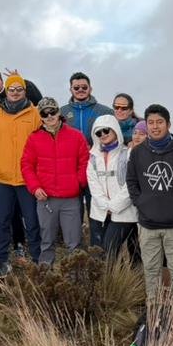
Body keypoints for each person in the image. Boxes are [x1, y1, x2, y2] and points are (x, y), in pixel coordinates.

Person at [126, 104, 173, 305]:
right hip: (147, 223)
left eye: (159, 122)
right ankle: (152, 304)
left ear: (168, 124)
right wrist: (141, 203)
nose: (155, 127)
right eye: (151, 123)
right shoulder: (138, 153)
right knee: (151, 267)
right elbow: (132, 181)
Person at [0, 74, 43, 274]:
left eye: (19, 89)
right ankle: (3, 261)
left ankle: (37, 261)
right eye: (11, 89)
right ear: (6, 92)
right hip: (2, 179)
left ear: (25, 91)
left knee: (32, 221)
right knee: (2, 221)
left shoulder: (35, 114)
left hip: (28, 179)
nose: (15, 93)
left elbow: (41, 142)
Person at [20, 98, 90, 266]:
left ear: (59, 113)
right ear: (41, 116)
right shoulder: (34, 138)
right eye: (45, 113)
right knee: (47, 242)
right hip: (46, 199)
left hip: (70, 199)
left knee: (74, 243)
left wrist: (78, 183)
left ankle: (76, 281)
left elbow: (85, 161)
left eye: (53, 111)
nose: (50, 115)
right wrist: (35, 187)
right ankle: (45, 280)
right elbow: (26, 165)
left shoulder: (76, 136)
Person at [60, 73, 113, 247]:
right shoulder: (62, 113)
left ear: (90, 88)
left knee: (96, 211)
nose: (81, 90)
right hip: (71, 170)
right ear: (71, 89)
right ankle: (75, 253)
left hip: (98, 169)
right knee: (73, 213)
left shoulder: (104, 111)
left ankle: (97, 251)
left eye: (84, 87)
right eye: (77, 88)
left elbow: (123, 128)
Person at [87, 114, 140, 262]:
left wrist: (114, 206)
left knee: (113, 248)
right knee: (98, 252)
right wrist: (105, 206)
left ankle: (131, 281)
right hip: (99, 212)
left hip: (124, 212)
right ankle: (108, 282)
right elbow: (93, 184)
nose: (102, 135)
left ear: (115, 130)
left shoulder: (127, 154)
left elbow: (131, 184)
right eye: (98, 133)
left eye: (106, 130)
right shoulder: (93, 157)